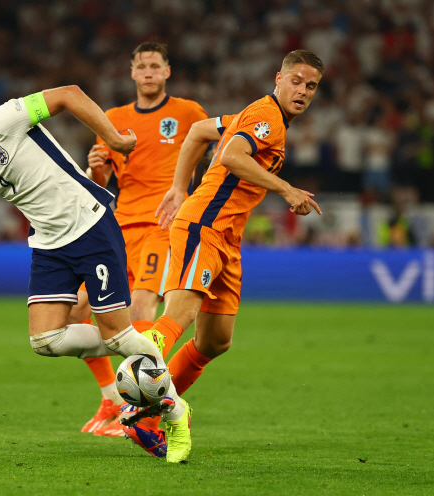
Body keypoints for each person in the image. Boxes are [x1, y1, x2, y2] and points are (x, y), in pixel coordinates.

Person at [0, 84, 194, 463]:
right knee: (45, 339)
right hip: (48, 242)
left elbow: (68, 94)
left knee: (117, 336)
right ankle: (137, 343)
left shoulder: (3, 119)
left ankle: (176, 413)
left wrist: (112, 138)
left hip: (89, 223)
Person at [129, 49, 325, 453]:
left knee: (216, 340)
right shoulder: (266, 117)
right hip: (204, 227)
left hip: (227, 239)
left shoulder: (258, 117)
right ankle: (134, 403)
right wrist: (285, 188)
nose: (303, 90)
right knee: (177, 317)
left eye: (311, 86)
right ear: (278, 78)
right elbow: (234, 156)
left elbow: (200, 130)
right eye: (297, 81)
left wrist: (178, 186)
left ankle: (144, 410)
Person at [70, 42, 208, 440]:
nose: (148, 72)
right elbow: (100, 183)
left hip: (163, 224)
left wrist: (195, 197)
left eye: (155, 66)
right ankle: (112, 398)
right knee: (78, 309)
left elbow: (214, 155)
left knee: (142, 304)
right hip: (117, 226)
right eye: (142, 66)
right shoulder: (112, 118)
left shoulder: (188, 113)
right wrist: (95, 170)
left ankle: (143, 403)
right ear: (132, 73)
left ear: (167, 72)